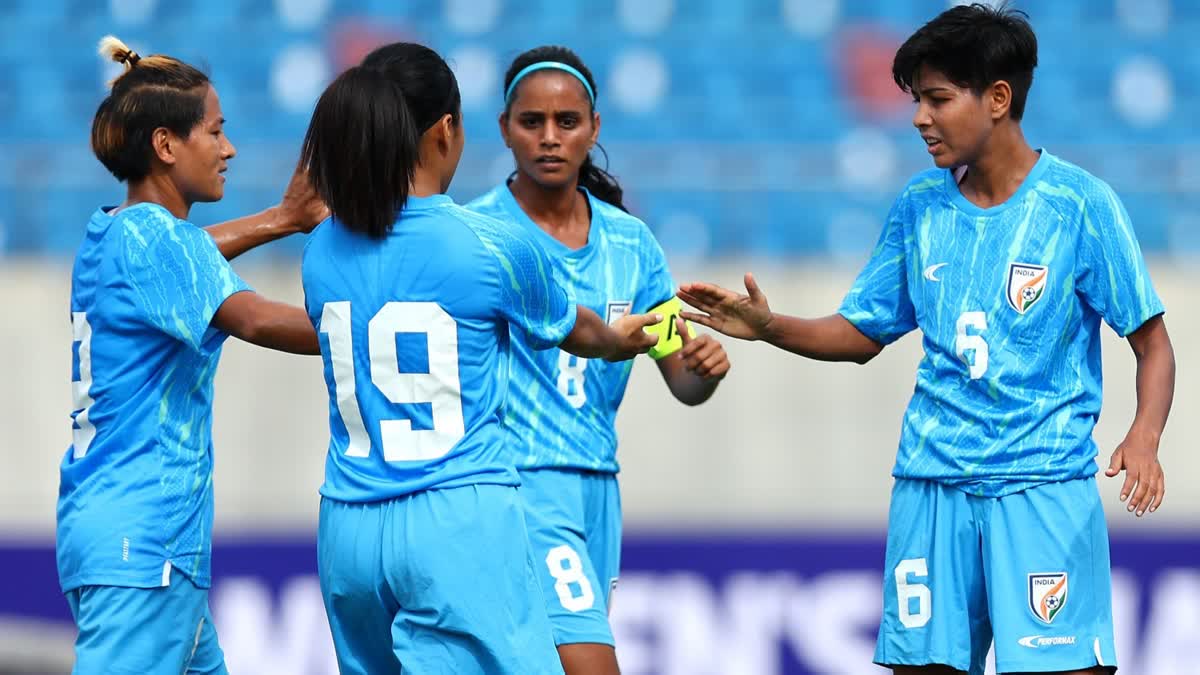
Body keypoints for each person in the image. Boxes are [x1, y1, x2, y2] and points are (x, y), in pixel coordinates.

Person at [678, 5, 1174, 675]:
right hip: (930, 484)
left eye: (937, 98)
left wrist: (1143, 434)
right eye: (917, 100)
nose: (918, 118)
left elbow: (1152, 342)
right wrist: (771, 328)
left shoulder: (1079, 205)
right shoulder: (919, 206)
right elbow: (861, 333)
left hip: (1042, 486)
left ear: (998, 98)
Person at [299, 41, 661, 675]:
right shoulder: (491, 242)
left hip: (347, 524)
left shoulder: (324, 247)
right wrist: (621, 339)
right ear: (447, 130)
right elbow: (576, 327)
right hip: (454, 515)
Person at [59, 36, 327, 674]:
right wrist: (374, 327)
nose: (228, 148)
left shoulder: (114, 230)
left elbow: (189, 255)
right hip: (143, 543)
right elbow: (256, 319)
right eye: (216, 131)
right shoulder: (158, 242)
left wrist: (284, 219)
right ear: (167, 145)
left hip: (119, 530)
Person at [463, 45, 730, 675]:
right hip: (515, 480)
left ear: (594, 128)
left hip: (596, 489)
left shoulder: (631, 243)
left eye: (567, 122)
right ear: (505, 129)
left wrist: (704, 365)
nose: (549, 138)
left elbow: (680, 378)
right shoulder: (474, 234)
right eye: (532, 123)